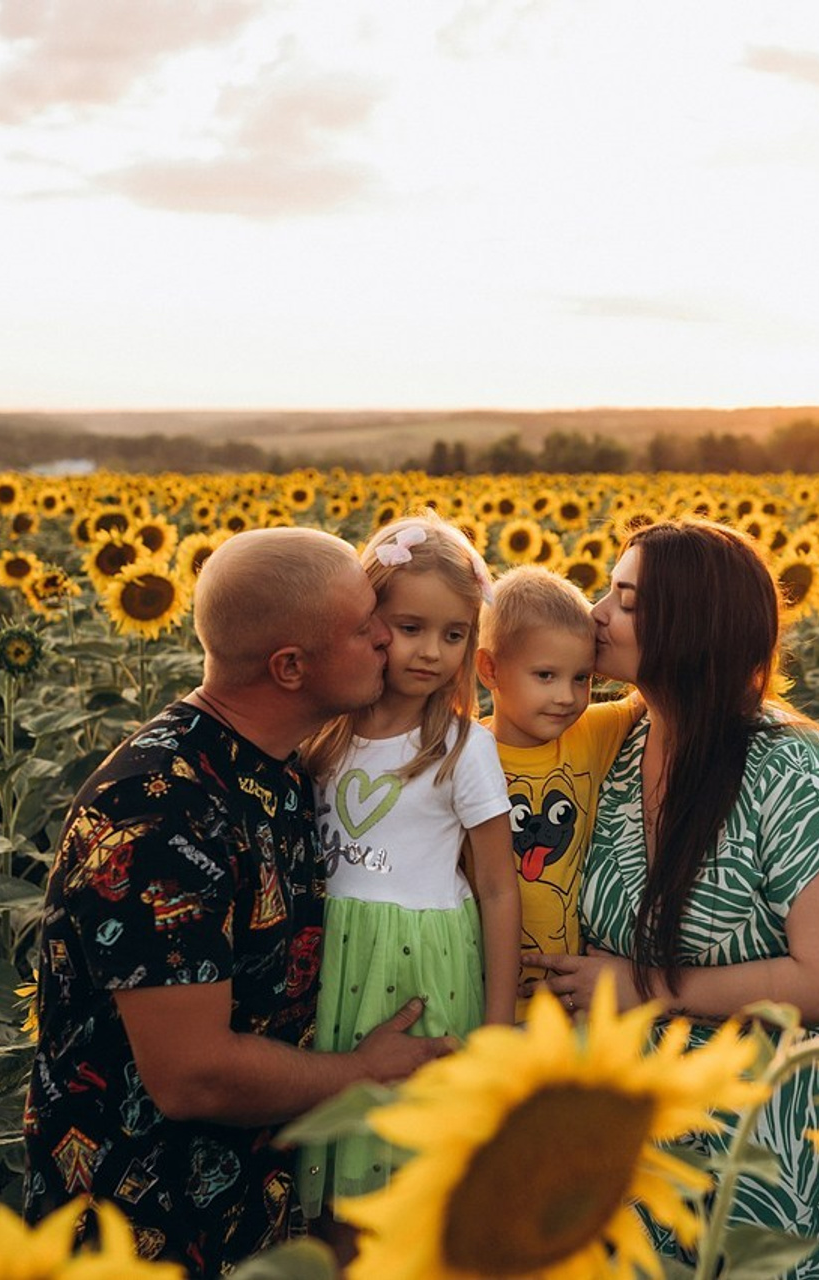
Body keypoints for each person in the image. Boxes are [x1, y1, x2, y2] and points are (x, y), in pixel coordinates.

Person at [526, 519, 819, 1276]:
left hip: (785, 1151)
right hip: (655, 1134)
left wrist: (643, 987)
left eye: (626, 599)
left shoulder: (785, 767)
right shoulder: (624, 742)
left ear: (693, 625)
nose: (595, 613)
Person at [23, 527, 451, 1277]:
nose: (387, 635)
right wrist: (364, 1070)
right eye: (363, 627)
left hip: (247, 1211)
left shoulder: (275, 766)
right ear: (290, 667)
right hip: (140, 1233)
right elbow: (195, 1074)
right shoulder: (158, 815)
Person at [301, 514, 519, 1215]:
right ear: (370, 621)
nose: (431, 652)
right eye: (411, 627)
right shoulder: (320, 736)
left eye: (454, 635)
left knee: (409, 1165)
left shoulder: (462, 748)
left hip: (422, 960)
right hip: (327, 956)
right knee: (333, 1156)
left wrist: (498, 1022)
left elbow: (495, 885)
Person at [475, 565, 641, 1020]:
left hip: (572, 999)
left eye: (581, 678)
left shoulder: (589, 733)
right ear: (490, 669)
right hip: (481, 994)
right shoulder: (466, 755)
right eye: (545, 675)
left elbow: (658, 689)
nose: (567, 696)